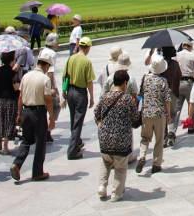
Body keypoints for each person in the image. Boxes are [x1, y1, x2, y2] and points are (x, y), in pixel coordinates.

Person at [10, 53, 56, 182]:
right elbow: (48, 100)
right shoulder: (44, 79)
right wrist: (51, 117)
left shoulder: (26, 76)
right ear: (46, 65)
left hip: (26, 111)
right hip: (38, 112)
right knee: (40, 142)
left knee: (26, 140)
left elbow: (20, 97)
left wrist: (19, 114)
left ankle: (17, 164)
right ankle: (37, 172)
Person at [95, 69, 139, 201]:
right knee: (120, 167)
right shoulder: (127, 99)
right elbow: (135, 118)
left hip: (105, 139)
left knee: (105, 162)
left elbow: (96, 113)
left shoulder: (104, 96)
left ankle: (102, 187)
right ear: (125, 82)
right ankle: (116, 193)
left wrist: (101, 127)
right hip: (121, 140)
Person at [137, 55, 171, 174]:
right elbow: (167, 99)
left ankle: (142, 156)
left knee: (145, 138)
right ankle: (156, 164)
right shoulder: (163, 81)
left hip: (146, 113)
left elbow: (140, 94)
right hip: (159, 113)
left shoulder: (145, 78)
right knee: (159, 140)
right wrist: (169, 114)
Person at [64, 36, 95, 160]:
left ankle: (76, 143)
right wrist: (92, 97)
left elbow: (65, 76)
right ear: (87, 48)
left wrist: (64, 91)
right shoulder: (86, 61)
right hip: (80, 93)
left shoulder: (71, 58)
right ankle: (72, 151)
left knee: (73, 120)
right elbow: (89, 82)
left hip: (70, 90)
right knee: (78, 122)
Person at [169, 40, 194, 145]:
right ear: (190, 47)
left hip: (177, 83)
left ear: (182, 45)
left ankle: (172, 131)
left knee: (176, 109)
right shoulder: (193, 56)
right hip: (189, 82)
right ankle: (191, 126)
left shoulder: (176, 55)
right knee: (191, 105)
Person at [0, 51, 19, 155]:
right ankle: (5, 147)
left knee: (0, 120)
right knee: (8, 121)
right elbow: (16, 87)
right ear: (12, 60)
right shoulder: (12, 73)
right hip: (10, 99)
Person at [41, 34, 61, 143]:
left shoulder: (43, 51)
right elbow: (50, 72)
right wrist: (54, 88)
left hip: (40, 80)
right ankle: (47, 131)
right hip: (47, 83)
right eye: (57, 41)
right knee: (54, 107)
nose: (58, 44)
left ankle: (44, 131)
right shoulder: (52, 54)